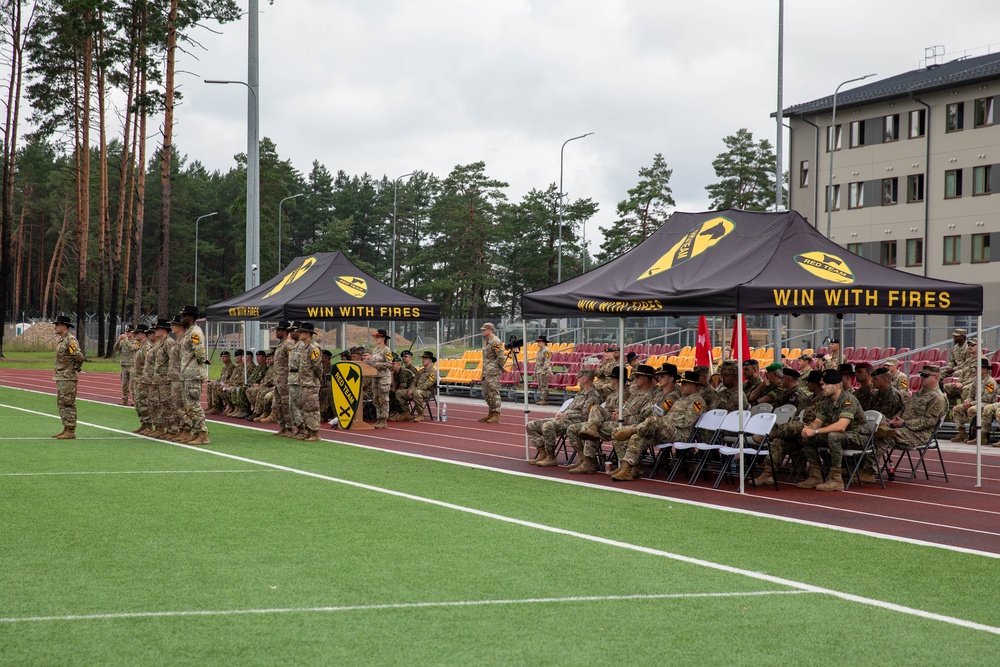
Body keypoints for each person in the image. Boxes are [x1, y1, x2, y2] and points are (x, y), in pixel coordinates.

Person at [612, 370, 705, 482]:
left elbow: (686, 422)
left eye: (685, 383)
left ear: (694, 385)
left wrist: (664, 422)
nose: (682, 385)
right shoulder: (681, 399)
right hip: (665, 430)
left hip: (680, 433)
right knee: (635, 437)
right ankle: (627, 468)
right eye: (681, 383)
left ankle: (633, 429)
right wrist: (663, 422)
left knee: (653, 421)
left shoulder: (698, 402)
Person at [797, 369, 872, 491]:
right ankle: (815, 475)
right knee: (808, 438)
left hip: (859, 437)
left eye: (826, 384)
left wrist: (815, 431)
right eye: (822, 384)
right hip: (843, 436)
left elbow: (841, 426)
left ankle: (836, 479)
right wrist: (809, 429)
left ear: (837, 386)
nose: (823, 387)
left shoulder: (848, 399)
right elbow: (818, 421)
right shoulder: (827, 401)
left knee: (834, 435)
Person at [752, 369, 825, 487]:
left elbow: (814, 420)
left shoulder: (824, 399)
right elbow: (797, 416)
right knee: (779, 441)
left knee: (793, 427)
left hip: (815, 431)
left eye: (809, 382)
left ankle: (772, 434)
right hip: (800, 432)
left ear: (814, 384)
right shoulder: (808, 398)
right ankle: (768, 473)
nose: (807, 385)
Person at [526, 369, 601, 467]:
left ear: (586, 379)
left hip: (575, 422)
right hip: (565, 419)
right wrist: (562, 412)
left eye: (580, 378)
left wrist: (565, 415)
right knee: (531, 425)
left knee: (548, 426)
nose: (578, 380)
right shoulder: (581, 393)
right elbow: (571, 407)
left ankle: (551, 457)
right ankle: (542, 453)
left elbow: (585, 415)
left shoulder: (593, 395)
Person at [875, 365, 947, 456]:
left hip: (920, 434)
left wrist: (905, 424)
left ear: (936, 377)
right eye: (921, 375)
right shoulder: (919, 393)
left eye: (925, 376)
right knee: (874, 426)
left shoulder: (937, 398)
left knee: (883, 436)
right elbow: (904, 409)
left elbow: (929, 421)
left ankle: (868, 468)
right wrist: (895, 419)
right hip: (903, 428)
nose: (922, 378)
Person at [51, 315, 85, 439]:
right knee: (62, 402)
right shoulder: (63, 340)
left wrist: (76, 367)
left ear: (64, 326)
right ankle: (66, 427)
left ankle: (70, 430)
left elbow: (78, 356)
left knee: (67, 403)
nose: (55, 327)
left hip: (68, 376)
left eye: (57, 325)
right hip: (62, 376)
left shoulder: (70, 340)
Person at [951, 358, 998, 443]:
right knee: (956, 409)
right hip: (975, 403)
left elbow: (987, 399)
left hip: (986, 405)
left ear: (985, 369)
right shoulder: (977, 381)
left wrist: (971, 404)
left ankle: (978, 435)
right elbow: (971, 394)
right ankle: (962, 434)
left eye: (978, 368)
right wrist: (967, 401)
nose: (976, 370)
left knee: (972, 410)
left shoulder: (990, 382)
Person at [292, 322, 323, 441]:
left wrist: (318, 377)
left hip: (311, 383)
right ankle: (308, 431)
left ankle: (315, 433)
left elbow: (317, 366)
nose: (299, 334)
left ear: (307, 334)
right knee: (304, 407)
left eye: (301, 332)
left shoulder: (313, 348)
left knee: (312, 408)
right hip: (303, 382)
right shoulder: (304, 347)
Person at [166, 315, 190, 442]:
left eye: (173, 325)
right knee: (176, 405)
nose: (171, 327)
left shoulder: (183, 341)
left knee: (181, 405)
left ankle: (187, 430)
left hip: (180, 377)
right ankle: (181, 430)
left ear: (180, 326)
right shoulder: (177, 341)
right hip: (174, 376)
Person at [479, 323, 505, 423]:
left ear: (490, 330)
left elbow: (500, 356)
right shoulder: (487, 341)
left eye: (484, 330)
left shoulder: (495, 341)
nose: (483, 331)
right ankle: (491, 412)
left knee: (494, 392)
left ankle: (496, 414)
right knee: (487, 392)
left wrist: (499, 367)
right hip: (486, 370)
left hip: (493, 370)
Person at [272, 321, 294, 437]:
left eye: (279, 330)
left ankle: (290, 428)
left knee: (286, 404)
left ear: (286, 331)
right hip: (278, 379)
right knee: (279, 404)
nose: (276, 332)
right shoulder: (281, 344)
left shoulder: (288, 345)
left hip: (285, 379)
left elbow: (293, 362)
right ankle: (283, 427)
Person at [369, 329, 394, 428]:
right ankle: (378, 418)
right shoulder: (375, 349)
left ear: (383, 338)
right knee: (376, 398)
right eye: (376, 337)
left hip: (384, 377)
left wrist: (380, 364)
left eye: (378, 337)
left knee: (383, 398)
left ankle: (384, 420)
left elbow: (389, 364)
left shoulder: (386, 350)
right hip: (375, 375)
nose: (376, 339)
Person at [131, 324, 152, 433]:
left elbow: (148, 364)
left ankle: (148, 425)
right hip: (138, 379)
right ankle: (144, 423)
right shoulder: (140, 346)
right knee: (139, 403)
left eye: (137, 333)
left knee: (144, 403)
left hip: (143, 379)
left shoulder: (147, 347)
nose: (134, 335)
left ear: (143, 334)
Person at [112, 325, 138, 405]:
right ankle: (124, 399)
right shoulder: (123, 341)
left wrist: (125, 341)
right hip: (124, 365)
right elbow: (115, 349)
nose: (127, 333)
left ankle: (134, 399)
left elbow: (132, 348)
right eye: (127, 332)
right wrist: (118, 340)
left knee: (133, 384)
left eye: (129, 332)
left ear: (133, 332)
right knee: (124, 384)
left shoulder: (136, 342)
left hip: (132, 365)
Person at [389, 355, 417, 421]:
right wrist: (392, 375)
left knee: (397, 393)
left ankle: (405, 413)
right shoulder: (395, 372)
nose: (392, 365)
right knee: (391, 392)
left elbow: (402, 387)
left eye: (393, 364)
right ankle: (395, 412)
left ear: (399, 364)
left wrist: (394, 389)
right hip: (404, 389)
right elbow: (393, 386)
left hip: (412, 388)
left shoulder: (404, 372)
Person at [206, 350, 234, 415]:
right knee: (210, 385)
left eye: (225, 357)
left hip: (226, 384)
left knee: (216, 386)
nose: (223, 358)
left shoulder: (232, 366)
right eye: (222, 357)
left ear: (229, 357)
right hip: (222, 383)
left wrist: (224, 383)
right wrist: (217, 381)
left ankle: (217, 406)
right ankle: (211, 405)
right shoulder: (224, 367)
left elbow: (231, 378)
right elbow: (222, 378)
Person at [534, 335, 553, 405]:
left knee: (544, 385)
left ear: (543, 342)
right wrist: (535, 371)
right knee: (540, 385)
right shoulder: (539, 351)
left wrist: (544, 370)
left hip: (544, 370)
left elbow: (547, 361)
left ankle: (544, 399)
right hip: (539, 369)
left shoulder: (547, 350)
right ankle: (542, 398)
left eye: (539, 341)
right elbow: (537, 362)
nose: (538, 343)